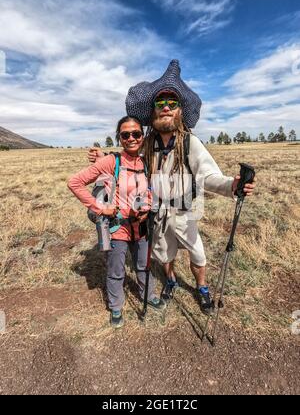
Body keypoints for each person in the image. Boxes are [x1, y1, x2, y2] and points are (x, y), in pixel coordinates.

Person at [89, 60, 256, 316]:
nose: (166, 106)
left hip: (185, 212)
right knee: (164, 254)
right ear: (153, 110)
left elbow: (208, 175)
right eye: (160, 102)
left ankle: (201, 288)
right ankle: (171, 280)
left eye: (172, 102)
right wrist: (106, 156)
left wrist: (232, 185)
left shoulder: (190, 143)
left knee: (197, 253)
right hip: (157, 213)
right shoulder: (147, 144)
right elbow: (129, 158)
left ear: (179, 111)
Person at [68, 116, 166, 328]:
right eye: (125, 134)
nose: (131, 138)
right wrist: (100, 208)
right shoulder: (111, 162)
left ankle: (148, 295)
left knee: (143, 265)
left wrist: (148, 206)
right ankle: (115, 306)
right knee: (116, 270)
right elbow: (74, 182)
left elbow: (153, 190)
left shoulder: (147, 161)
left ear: (142, 136)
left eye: (136, 134)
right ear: (119, 138)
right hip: (117, 227)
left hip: (141, 227)